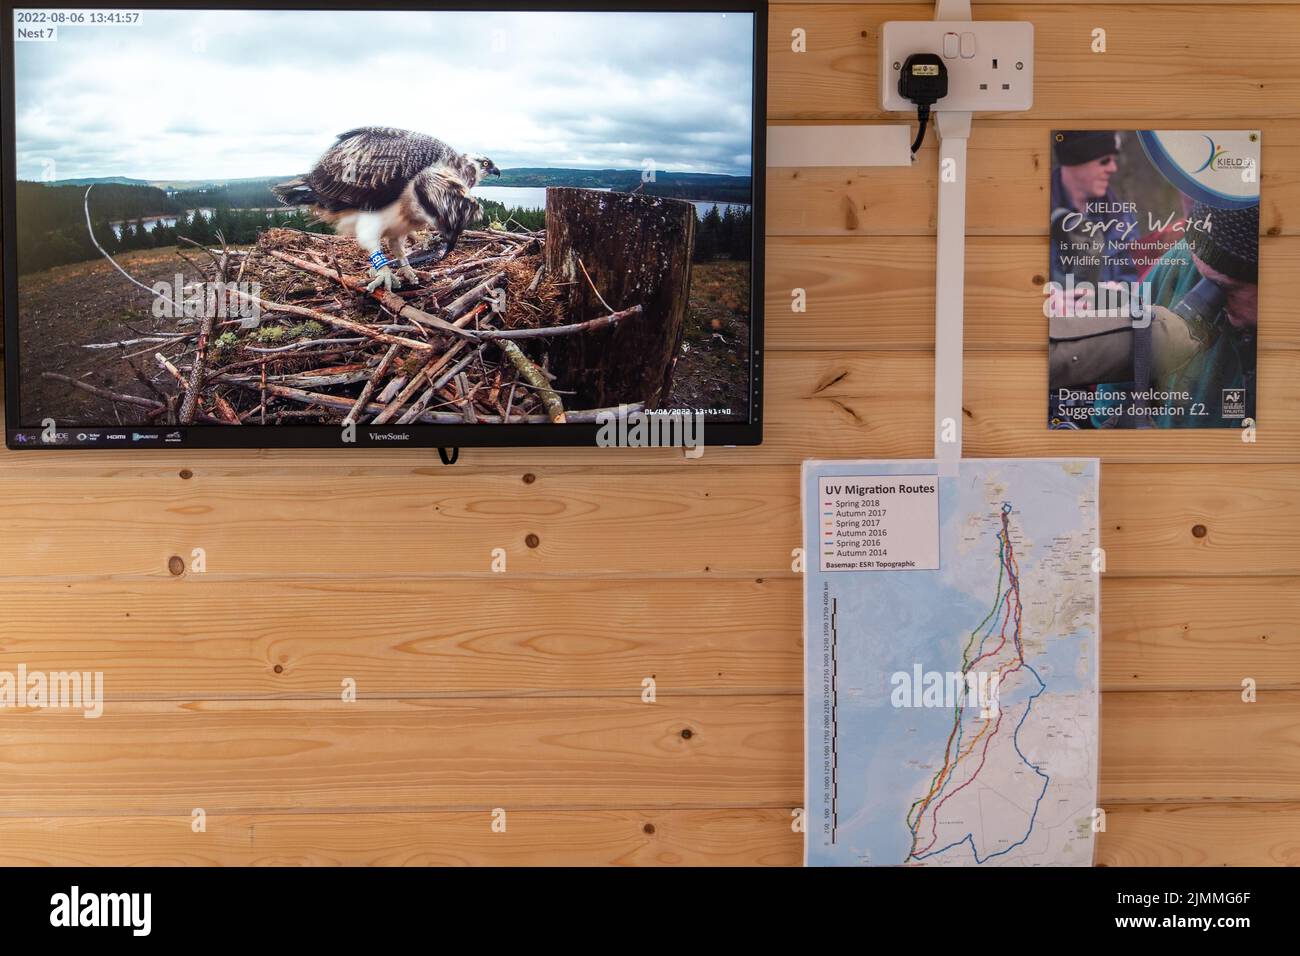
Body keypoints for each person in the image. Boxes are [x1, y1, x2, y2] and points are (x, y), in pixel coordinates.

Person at [1143, 202, 1259, 427]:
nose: (1200, 296)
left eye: (1224, 287)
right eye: (1199, 274)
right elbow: (1124, 356)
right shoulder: (1184, 260)